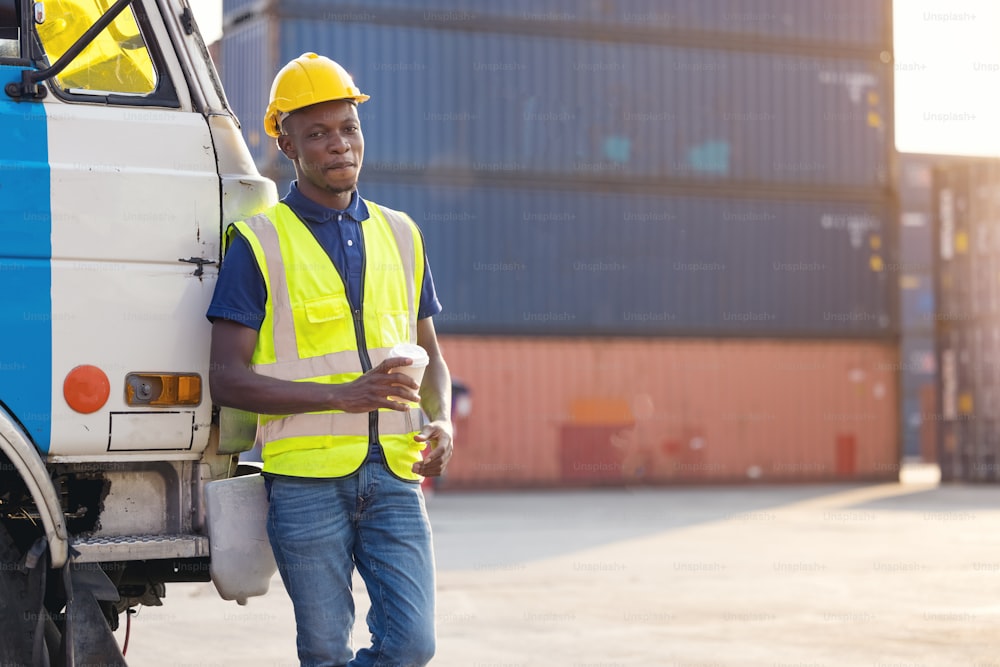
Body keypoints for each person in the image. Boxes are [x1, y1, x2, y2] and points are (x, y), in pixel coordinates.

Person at [206, 52, 453, 667]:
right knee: (323, 649)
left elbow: (432, 356)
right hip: (305, 483)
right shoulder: (258, 241)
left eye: (349, 127)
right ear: (287, 143)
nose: (339, 144)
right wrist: (344, 395)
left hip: (395, 475)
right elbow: (227, 379)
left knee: (413, 645)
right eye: (318, 133)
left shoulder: (403, 233)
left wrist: (443, 418)